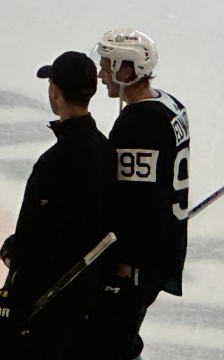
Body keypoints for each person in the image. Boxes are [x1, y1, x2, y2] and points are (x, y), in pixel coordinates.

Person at [0, 51, 116, 360]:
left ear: (55, 92)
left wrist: (14, 305)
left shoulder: (55, 163)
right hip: (80, 299)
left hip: (45, 308)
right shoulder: (104, 148)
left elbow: (38, 242)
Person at [82, 29, 190, 360]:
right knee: (122, 338)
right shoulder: (170, 105)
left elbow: (138, 201)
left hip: (140, 259)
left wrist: (124, 262)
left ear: (127, 70)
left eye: (106, 64)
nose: (100, 73)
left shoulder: (137, 123)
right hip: (166, 244)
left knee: (108, 343)